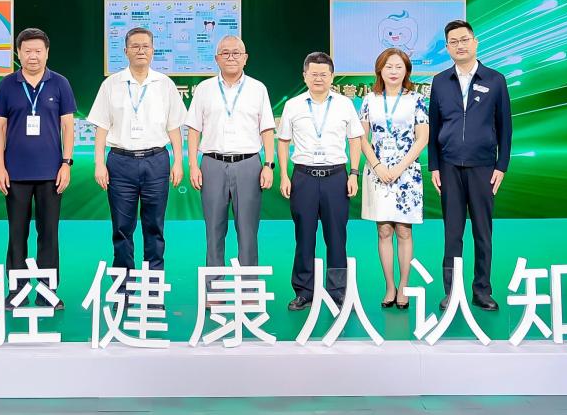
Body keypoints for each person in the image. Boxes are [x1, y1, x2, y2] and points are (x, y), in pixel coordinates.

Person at [87, 27, 187, 293]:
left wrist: (178, 161)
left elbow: (174, 127)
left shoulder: (165, 84)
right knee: (122, 228)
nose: (141, 51)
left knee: (154, 227)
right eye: (135, 46)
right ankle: (123, 287)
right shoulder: (111, 84)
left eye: (145, 46)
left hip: (156, 161)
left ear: (153, 51)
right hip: (120, 163)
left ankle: (153, 288)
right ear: (125, 51)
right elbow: (101, 127)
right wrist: (99, 163)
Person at [428, 19, 512, 311]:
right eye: (453, 42)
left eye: (464, 40)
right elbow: (434, 126)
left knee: (482, 232)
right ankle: (452, 291)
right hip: (449, 166)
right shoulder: (440, 81)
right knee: (452, 233)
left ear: (475, 42)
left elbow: (505, 126)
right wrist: (434, 166)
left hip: (484, 167)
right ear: (447, 47)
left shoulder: (495, 79)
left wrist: (501, 165)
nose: (460, 45)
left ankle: (482, 290)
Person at [186, 36, 276, 302]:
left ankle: (248, 290)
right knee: (214, 230)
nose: (231, 57)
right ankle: (214, 291)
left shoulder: (258, 88)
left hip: (249, 164)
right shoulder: (204, 89)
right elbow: (194, 129)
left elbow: (267, 129)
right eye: (225, 53)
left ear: (245, 58)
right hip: (212, 164)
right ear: (216, 59)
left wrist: (268, 165)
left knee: (248, 231)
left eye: (236, 53)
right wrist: (193, 165)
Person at [0, 28, 76, 311]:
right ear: (18, 53)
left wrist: (66, 163)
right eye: (27, 51)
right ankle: (16, 291)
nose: (33, 56)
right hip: (15, 174)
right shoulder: (7, 85)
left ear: (47, 53)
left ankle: (47, 291)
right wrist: (0, 166)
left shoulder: (60, 83)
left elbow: (68, 126)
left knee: (48, 234)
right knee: (17, 234)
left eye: (38, 51)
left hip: (51, 174)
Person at [277, 52, 364, 310]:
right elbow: (283, 141)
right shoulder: (293, 105)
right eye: (313, 74)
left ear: (332, 77)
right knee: (304, 236)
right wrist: (284, 175)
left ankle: (338, 291)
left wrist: (354, 173)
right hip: (303, 177)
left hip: (336, 177)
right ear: (305, 76)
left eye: (323, 74)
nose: (318, 78)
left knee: (337, 236)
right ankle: (304, 291)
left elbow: (355, 139)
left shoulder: (344, 104)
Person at [359, 48, 429, 311]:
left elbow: (422, 138)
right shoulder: (369, 100)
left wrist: (399, 167)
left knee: (403, 230)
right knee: (384, 230)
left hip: (406, 173)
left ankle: (404, 286)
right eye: (388, 66)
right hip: (377, 172)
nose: (393, 71)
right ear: (380, 69)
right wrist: (377, 166)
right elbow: (361, 138)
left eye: (399, 67)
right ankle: (389, 286)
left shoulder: (416, 99)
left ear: (407, 71)